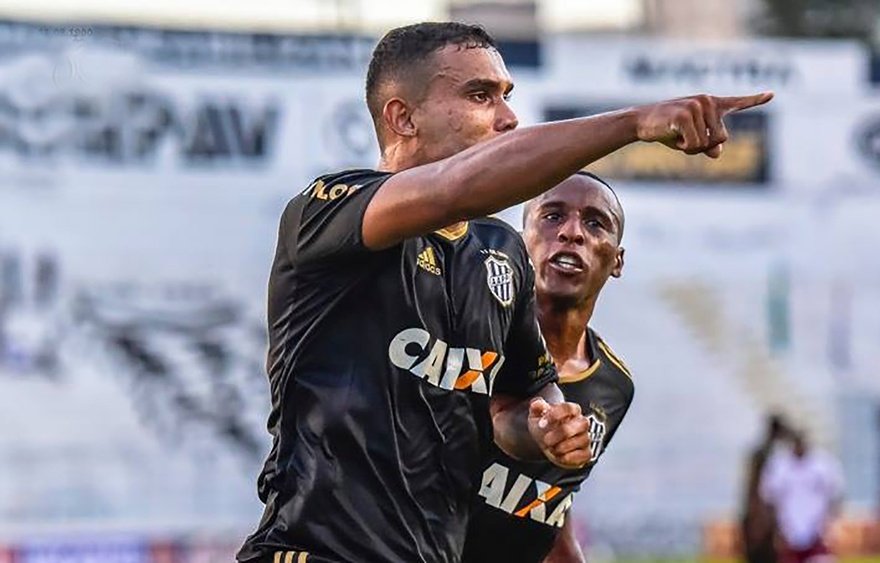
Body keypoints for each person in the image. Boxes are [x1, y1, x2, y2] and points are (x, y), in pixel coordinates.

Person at [238, 21, 773, 563]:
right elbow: (455, 187)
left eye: (506, 96)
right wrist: (634, 123)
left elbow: (519, 401)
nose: (509, 117)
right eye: (479, 95)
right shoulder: (328, 211)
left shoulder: (501, 252)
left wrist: (547, 426)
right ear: (402, 117)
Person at [461, 172, 634, 563]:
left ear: (618, 260)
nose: (572, 232)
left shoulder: (614, 385)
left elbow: (547, 502)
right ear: (520, 245)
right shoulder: (469, 338)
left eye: (595, 222)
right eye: (553, 216)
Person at [760, 430, 843, 563]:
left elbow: (835, 495)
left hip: (817, 531)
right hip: (789, 531)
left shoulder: (822, 464)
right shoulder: (779, 465)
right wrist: (775, 529)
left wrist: (831, 524)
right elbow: (769, 499)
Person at [741, 414, 789, 563]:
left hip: (762, 514)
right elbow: (754, 487)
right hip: (761, 516)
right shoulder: (766, 455)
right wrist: (759, 517)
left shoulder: (772, 454)